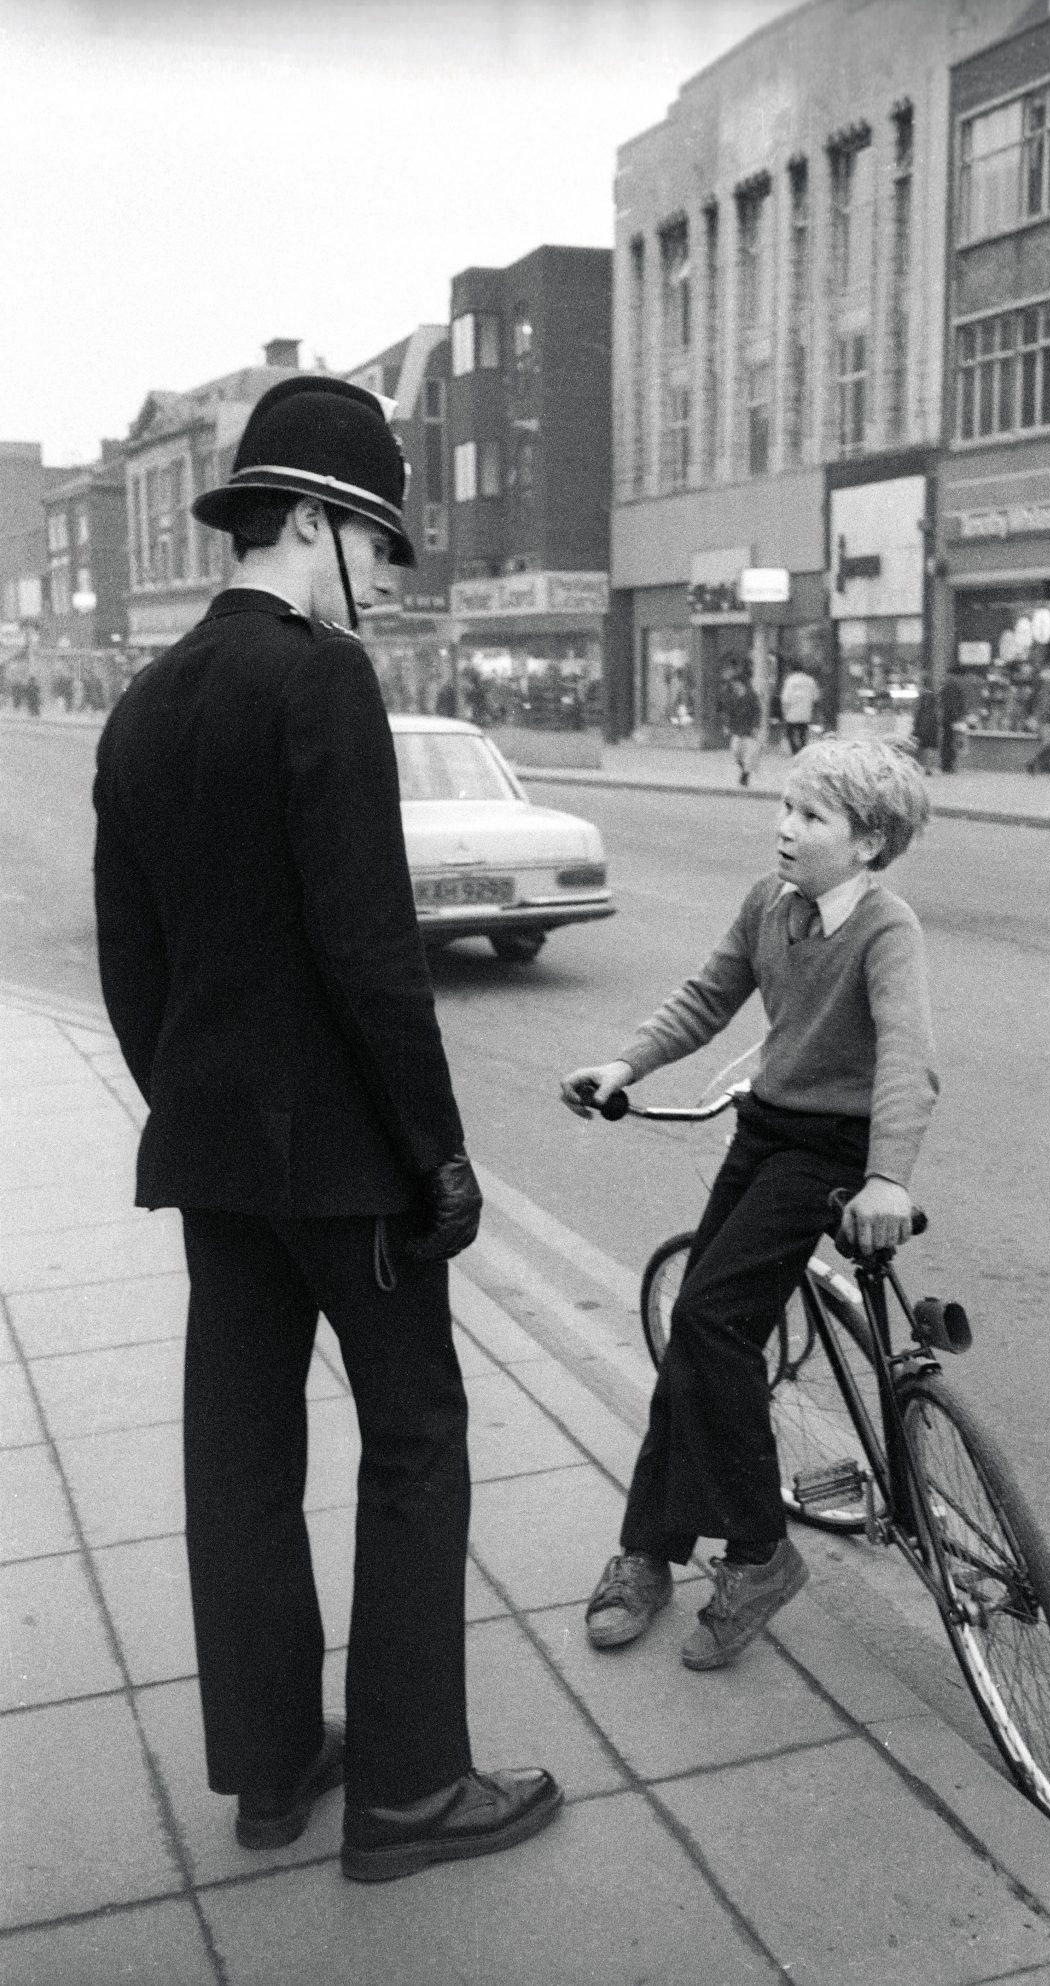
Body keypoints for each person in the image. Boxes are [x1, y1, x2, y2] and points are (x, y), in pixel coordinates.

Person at [93, 376, 561, 1886]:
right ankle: (415, 1785)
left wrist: (195, 1103)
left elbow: (130, 962)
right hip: (349, 1162)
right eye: (376, 543)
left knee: (239, 1454)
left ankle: (277, 1765)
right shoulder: (322, 681)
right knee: (416, 1439)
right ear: (313, 522)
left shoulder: (147, 701)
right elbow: (372, 952)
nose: (383, 581)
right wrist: (438, 1155)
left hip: (217, 1157)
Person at [560, 738, 938, 1672]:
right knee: (700, 1330)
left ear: (869, 842)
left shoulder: (887, 930)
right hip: (767, 1128)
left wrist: (888, 1175)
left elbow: (906, 1056)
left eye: (811, 818)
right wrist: (626, 1064)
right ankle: (650, 1550)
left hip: (833, 1151)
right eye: (785, 808)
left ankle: (760, 1553)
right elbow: (708, 995)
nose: (785, 829)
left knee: (711, 1323)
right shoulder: (770, 904)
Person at [722, 665, 763, 786]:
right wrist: (727, 725)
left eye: (736, 683)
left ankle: (745, 775)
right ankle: (743, 767)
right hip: (737, 728)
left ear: (741, 683)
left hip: (749, 728)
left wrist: (756, 726)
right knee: (735, 751)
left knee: (750, 753)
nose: (734, 685)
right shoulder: (733, 696)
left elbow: (757, 711)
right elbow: (729, 711)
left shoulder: (751, 695)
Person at [779, 662, 820, 753]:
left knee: (790, 732)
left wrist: (784, 711)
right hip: (805, 712)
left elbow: (785, 698)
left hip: (792, 712)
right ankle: (803, 749)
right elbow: (816, 697)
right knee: (803, 732)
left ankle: (795, 751)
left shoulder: (790, 680)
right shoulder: (810, 680)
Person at [938, 664, 966, 773]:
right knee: (949, 741)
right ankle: (947, 765)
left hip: (947, 717)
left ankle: (947, 764)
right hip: (951, 718)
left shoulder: (947, 684)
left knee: (947, 740)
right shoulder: (952, 685)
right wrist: (957, 716)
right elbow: (952, 703)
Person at [911, 680, 939, 774]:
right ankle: (928, 768)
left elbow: (917, 716)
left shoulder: (923, 696)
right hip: (930, 727)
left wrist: (915, 728)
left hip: (923, 727)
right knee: (929, 749)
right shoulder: (932, 697)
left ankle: (920, 767)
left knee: (921, 749)